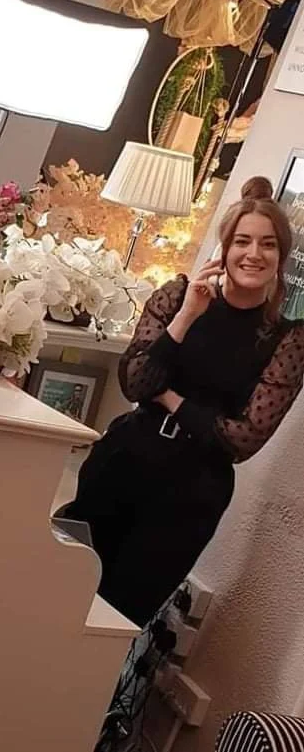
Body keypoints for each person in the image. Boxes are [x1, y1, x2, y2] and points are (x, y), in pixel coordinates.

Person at [61, 177, 304, 626]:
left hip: (191, 493)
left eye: (268, 245)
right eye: (242, 241)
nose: (254, 254)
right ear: (224, 249)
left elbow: (244, 439)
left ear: (280, 258)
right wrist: (188, 315)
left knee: (116, 618)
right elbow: (135, 383)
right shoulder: (176, 297)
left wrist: (171, 398)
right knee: (58, 579)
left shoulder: (287, 340)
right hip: (123, 459)